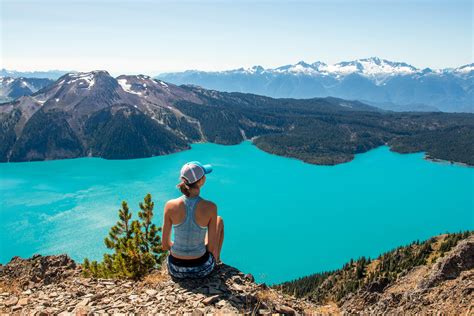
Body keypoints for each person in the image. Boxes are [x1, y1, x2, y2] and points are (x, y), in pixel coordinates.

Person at [161, 161, 224, 279]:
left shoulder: (170, 205)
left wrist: (181, 249)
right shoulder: (210, 207)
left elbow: (165, 245)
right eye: (204, 175)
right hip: (201, 268)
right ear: (200, 181)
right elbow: (210, 248)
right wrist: (195, 249)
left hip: (175, 269)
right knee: (219, 220)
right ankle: (217, 260)